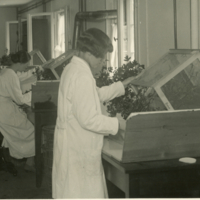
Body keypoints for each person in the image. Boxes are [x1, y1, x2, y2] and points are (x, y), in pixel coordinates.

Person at [52, 28, 141, 198]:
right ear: (88, 53)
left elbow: (95, 95)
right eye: (101, 59)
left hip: (72, 146)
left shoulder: (72, 69)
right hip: (78, 149)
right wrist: (119, 123)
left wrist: (122, 85)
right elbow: (88, 119)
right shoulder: (81, 76)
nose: (102, 63)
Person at [0, 50, 36, 171]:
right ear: (21, 63)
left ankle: (17, 158)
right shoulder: (11, 75)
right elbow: (20, 100)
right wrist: (32, 94)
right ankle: (28, 162)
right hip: (4, 111)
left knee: (19, 129)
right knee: (31, 130)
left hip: (4, 108)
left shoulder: (6, 71)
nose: (26, 67)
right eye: (26, 64)